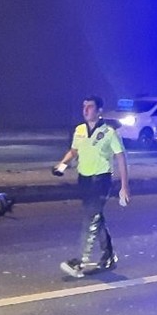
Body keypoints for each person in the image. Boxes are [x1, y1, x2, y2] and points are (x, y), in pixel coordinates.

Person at [55, 95, 130, 278]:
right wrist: (62, 165)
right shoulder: (79, 130)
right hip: (85, 180)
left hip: (101, 180)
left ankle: (79, 261)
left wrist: (124, 186)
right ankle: (108, 255)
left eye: (90, 107)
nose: (86, 110)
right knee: (96, 218)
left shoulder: (109, 132)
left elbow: (121, 157)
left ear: (99, 111)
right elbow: (74, 150)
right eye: (84, 106)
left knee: (90, 220)